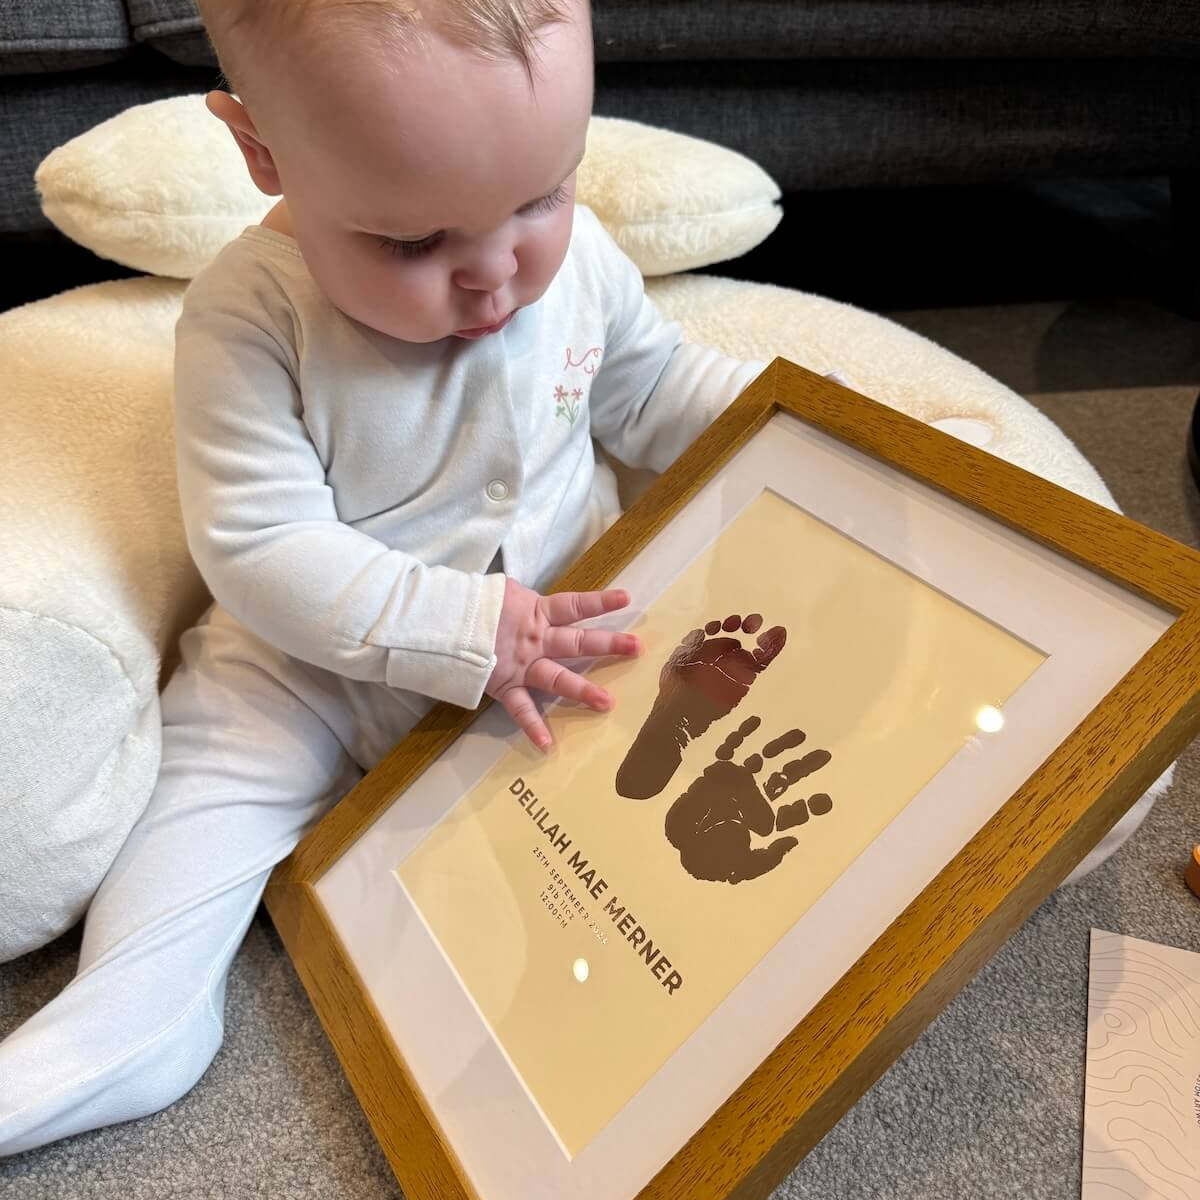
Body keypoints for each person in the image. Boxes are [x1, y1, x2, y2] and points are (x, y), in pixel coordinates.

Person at [0, 0, 777, 1155]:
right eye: (413, 245)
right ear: (263, 152)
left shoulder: (582, 266)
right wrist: (462, 624)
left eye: (542, 197)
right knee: (194, 828)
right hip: (299, 672)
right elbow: (261, 550)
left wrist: (806, 429)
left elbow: (654, 393)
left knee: (608, 880)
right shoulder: (249, 316)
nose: (495, 276)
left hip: (559, 647)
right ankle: (119, 1028)